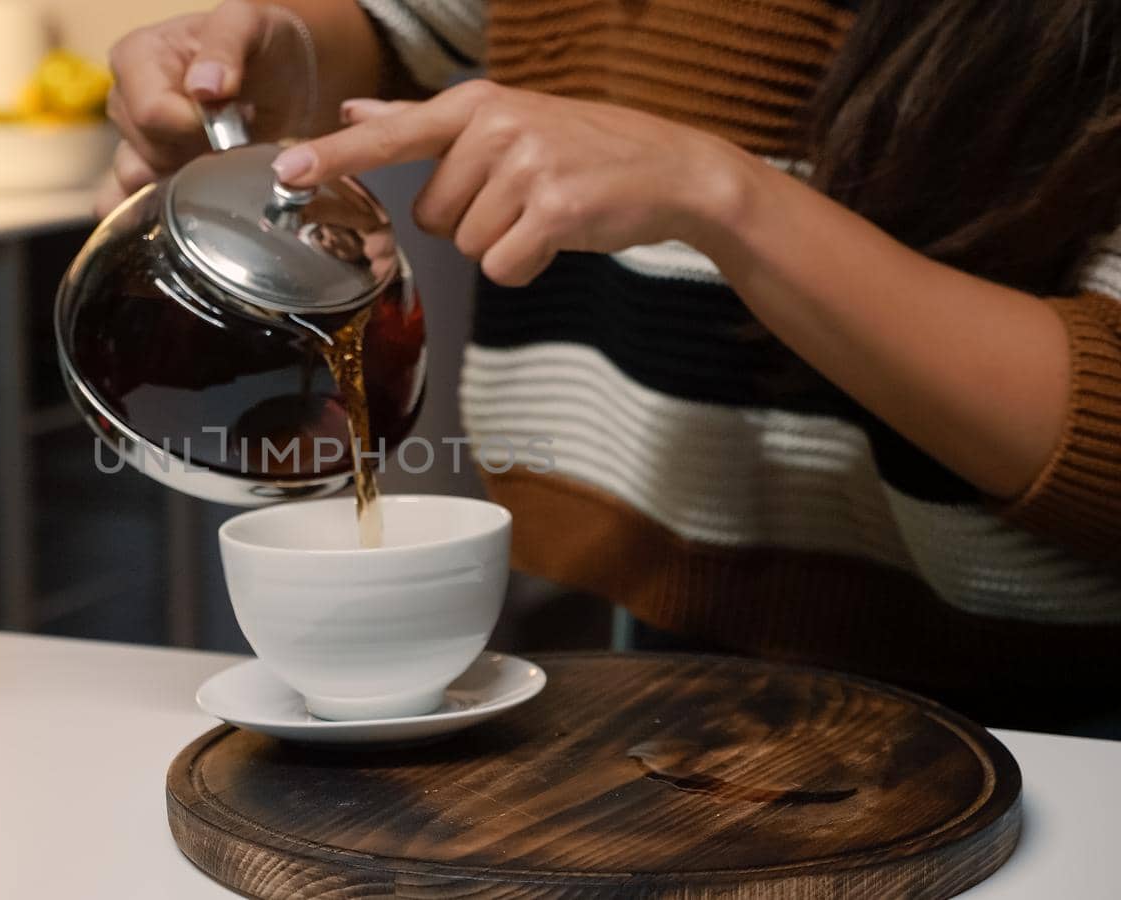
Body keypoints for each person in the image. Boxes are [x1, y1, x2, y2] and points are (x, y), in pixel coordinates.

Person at [101, 0, 1121, 730]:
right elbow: (413, 19)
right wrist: (296, 48)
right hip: (658, 626)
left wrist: (723, 197)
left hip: (1047, 703)